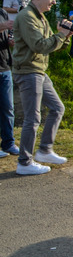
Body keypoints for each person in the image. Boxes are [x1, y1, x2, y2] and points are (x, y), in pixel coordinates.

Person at [12, 0, 73, 175]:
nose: (53, 2)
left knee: (57, 108)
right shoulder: (26, 16)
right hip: (28, 71)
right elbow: (39, 45)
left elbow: (49, 44)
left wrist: (65, 37)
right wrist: (60, 36)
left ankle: (45, 150)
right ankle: (24, 162)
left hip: (38, 71)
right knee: (33, 118)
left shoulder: (40, 17)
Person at [1, 8, 19, 157]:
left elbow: (6, 34)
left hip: (4, 66)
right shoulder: (5, 20)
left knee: (8, 108)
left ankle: (9, 143)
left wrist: (10, 40)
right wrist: (4, 25)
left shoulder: (2, 12)